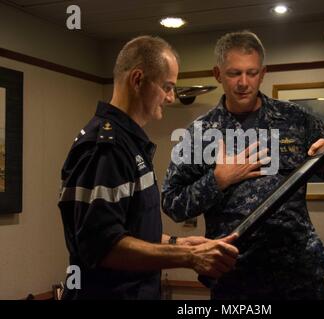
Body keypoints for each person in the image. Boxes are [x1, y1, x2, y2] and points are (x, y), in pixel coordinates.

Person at [161, 31, 324, 299]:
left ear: (263, 73)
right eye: (234, 73)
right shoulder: (200, 133)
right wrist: (217, 180)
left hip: (298, 274)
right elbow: (172, 202)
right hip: (235, 277)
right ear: (218, 74)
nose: (243, 83)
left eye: (251, 73)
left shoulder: (295, 119)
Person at [58, 35, 239, 300]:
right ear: (137, 79)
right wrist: (188, 256)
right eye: (167, 86)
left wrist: (179, 243)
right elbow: (103, 246)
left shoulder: (130, 143)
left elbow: (130, 231)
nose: (170, 97)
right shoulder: (106, 146)